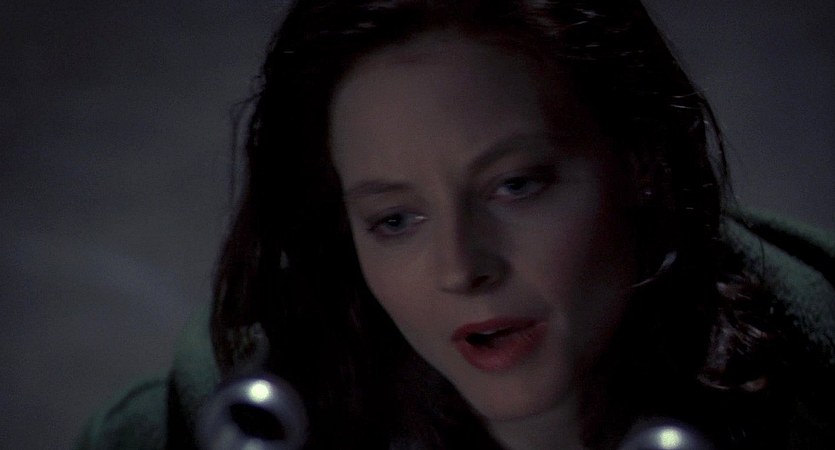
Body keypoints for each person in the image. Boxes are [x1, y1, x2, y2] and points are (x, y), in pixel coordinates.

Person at [76, 1, 835, 449]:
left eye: (515, 185)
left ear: (639, 158)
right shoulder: (185, 433)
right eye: (394, 219)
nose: (461, 267)